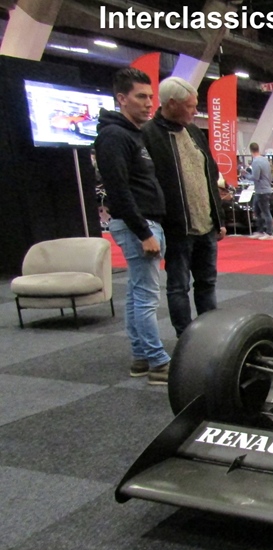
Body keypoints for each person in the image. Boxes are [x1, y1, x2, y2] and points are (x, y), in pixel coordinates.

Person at [94, 68, 170, 384]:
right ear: (122, 99)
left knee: (138, 293)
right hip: (138, 225)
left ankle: (141, 357)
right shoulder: (114, 136)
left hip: (144, 222)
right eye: (141, 96)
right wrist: (144, 232)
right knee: (146, 297)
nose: (149, 103)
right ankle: (158, 362)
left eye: (151, 96)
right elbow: (118, 189)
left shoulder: (132, 134)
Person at [142, 76, 226, 338]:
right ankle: (186, 338)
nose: (195, 111)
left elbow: (210, 175)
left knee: (207, 283)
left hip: (206, 225)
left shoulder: (194, 132)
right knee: (178, 287)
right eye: (190, 106)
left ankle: (209, 335)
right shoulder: (149, 135)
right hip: (176, 227)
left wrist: (219, 218)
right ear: (171, 104)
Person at [246, 142, 273, 240]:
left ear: (251, 150)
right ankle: (260, 230)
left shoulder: (256, 162)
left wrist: (246, 175)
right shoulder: (265, 160)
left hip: (262, 190)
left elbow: (255, 177)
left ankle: (269, 233)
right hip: (263, 189)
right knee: (257, 211)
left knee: (265, 212)